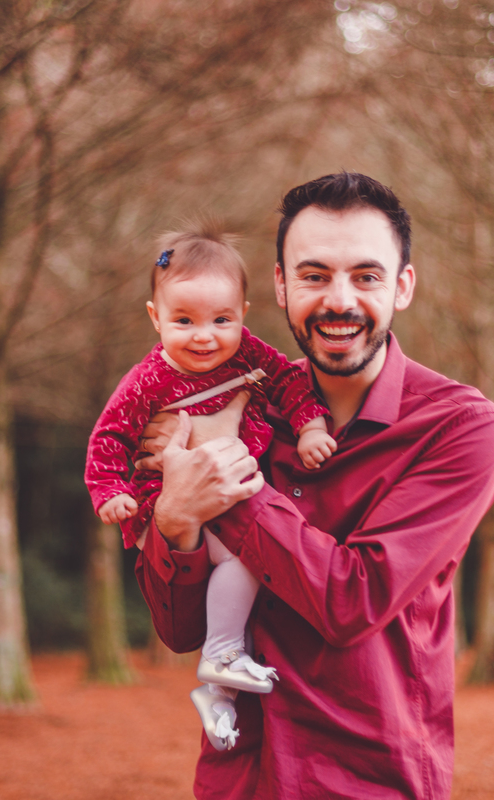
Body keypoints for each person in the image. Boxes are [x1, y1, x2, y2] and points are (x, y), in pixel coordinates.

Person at [133, 173, 494, 799]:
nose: (339, 301)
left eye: (366, 276)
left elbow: (351, 600)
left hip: (369, 782)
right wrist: (174, 518)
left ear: (403, 287)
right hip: (241, 780)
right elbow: (180, 632)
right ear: (280, 287)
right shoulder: (231, 408)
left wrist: (227, 481)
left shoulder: (460, 428)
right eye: (314, 276)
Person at [84, 225, 337, 750]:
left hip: (233, 487)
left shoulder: (247, 354)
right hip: (170, 493)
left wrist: (312, 424)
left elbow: (290, 383)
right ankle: (220, 656)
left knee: (248, 571)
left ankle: (217, 692)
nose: (205, 336)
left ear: (243, 312)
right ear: (155, 318)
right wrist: (109, 490)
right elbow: (110, 435)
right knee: (244, 559)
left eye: (222, 320)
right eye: (184, 321)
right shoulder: (147, 381)